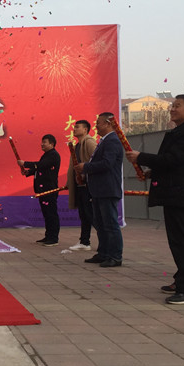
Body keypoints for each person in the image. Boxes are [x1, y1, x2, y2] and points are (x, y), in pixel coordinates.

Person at [127, 95, 184, 305]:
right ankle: (181, 280)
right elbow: (172, 164)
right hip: (174, 192)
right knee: (177, 240)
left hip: (181, 192)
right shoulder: (180, 131)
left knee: (181, 241)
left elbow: (173, 160)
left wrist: (141, 157)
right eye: (172, 105)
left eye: (177, 106)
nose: (172, 109)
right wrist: (151, 172)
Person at [75, 114, 124, 267]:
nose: (96, 126)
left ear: (108, 123)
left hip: (107, 189)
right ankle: (103, 253)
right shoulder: (103, 141)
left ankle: (115, 256)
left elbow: (107, 163)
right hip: (98, 189)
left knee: (110, 224)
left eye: (99, 123)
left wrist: (86, 167)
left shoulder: (112, 141)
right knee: (101, 224)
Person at [18, 134, 61, 246]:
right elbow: (41, 168)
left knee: (51, 214)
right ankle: (48, 236)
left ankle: (53, 238)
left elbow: (41, 165)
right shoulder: (46, 155)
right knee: (47, 214)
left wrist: (25, 164)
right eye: (42, 142)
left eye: (44, 142)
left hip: (49, 190)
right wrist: (29, 172)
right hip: (42, 190)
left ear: (52, 144)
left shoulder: (53, 155)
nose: (42, 144)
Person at [66, 120, 97, 251]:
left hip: (88, 186)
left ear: (85, 129)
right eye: (74, 127)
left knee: (91, 215)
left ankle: (106, 242)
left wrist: (86, 173)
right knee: (84, 215)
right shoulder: (77, 145)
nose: (74, 129)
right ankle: (84, 241)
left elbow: (97, 162)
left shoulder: (89, 142)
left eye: (77, 127)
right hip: (80, 185)